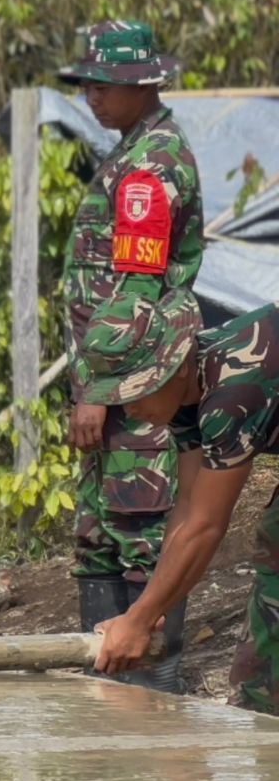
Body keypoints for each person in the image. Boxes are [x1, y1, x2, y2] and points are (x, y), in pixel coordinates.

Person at [57, 20, 203, 691]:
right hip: (113, 382)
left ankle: (154, 701)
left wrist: (96, 388)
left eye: (102, 83)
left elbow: (138, 286)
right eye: (85, 83)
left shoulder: (151, 164)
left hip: (138, 382)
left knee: (142, 531)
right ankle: (107, 716)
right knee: (99, 538)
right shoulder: (127, 152)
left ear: (142, 84)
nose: (91, 94)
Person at [81, 291, 279, 712]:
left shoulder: (232, 393)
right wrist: (148, 611)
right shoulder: (187, 398)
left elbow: (208, 526)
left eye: (140, 392)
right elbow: (188, 508)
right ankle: (261, 718)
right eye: (121, 397)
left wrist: (137, 621)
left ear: (179, 365)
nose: (132, 409)